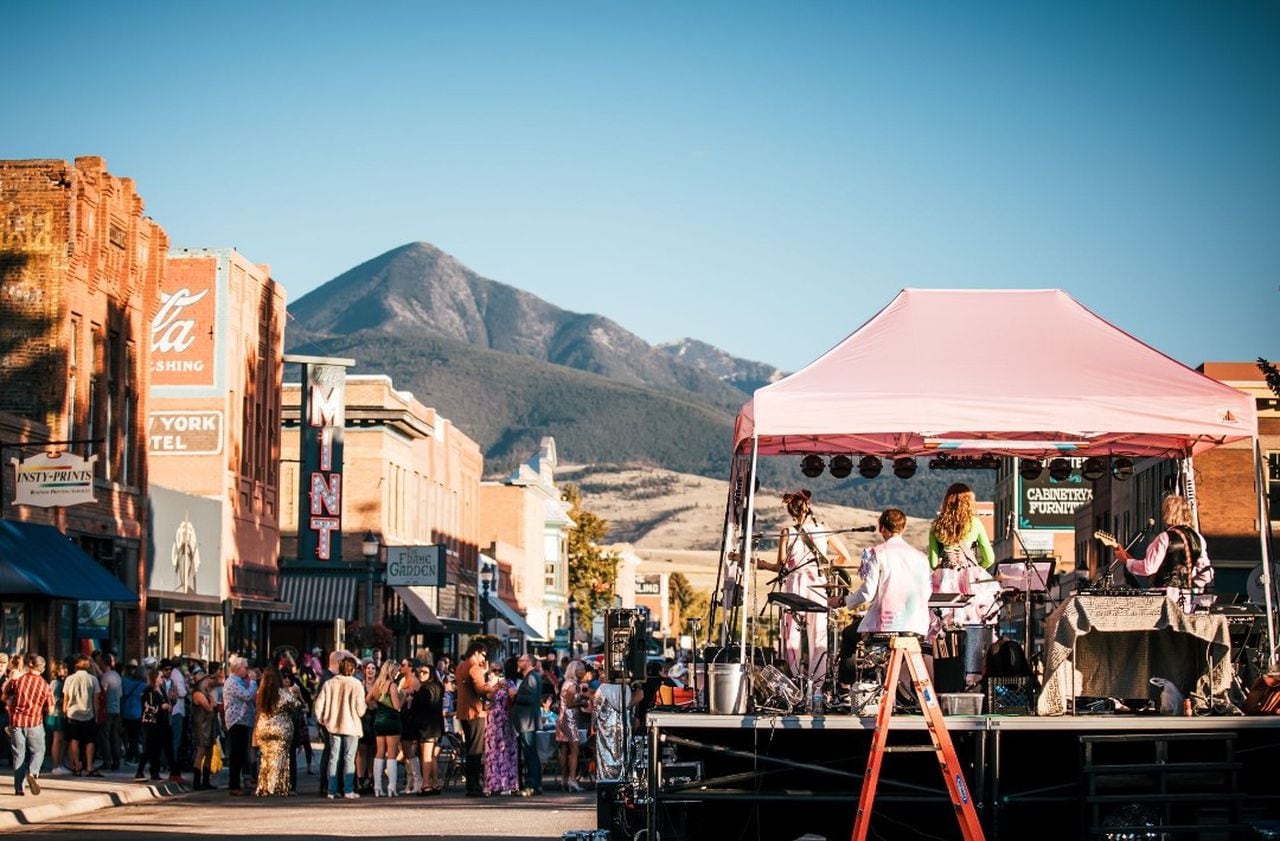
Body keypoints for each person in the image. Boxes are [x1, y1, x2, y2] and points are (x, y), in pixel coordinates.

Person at [836, 508, 934, 700]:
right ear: (904, 527)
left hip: (886, 625)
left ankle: (845, 689)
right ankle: (906, 694)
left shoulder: (877, 553)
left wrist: (842, 601)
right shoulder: (921, 557)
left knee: (848, 635)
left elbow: (866, 593)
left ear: (881, 528)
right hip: (916, 626)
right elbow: (928, 592)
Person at [756, 489, 850, 689]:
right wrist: (828, 567)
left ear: (791, 512)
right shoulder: (823, 529)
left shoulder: (787, 532)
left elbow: (781, 566)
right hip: (817, 585)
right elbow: (845, 556)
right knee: (819, 635)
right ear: (809, 508)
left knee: (791, 635)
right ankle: (817, 685)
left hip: (794, 588)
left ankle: (794, 681)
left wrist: (762, 565)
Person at [1111, 494, 1214, 612]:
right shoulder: (1198, 539)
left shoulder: (1164, 538)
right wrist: (1190, 582)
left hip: (1163, 598)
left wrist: (1125, 560)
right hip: (1187, 600)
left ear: (1169, 513)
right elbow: (1206, 575)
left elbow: (1148, 568)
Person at [928, 482, 999, 627]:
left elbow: (933, 563)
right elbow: (990, 558)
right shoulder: (975, 523)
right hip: (971, 578)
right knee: (974, 621)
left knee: (944, 622)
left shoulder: (936, 526)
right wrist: (976, 568)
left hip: (945, 579)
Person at [314, 655, 366, 799]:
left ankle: (331, 790)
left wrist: (322, 719)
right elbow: (361, 709)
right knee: (349, 758)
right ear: (353, 669)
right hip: (351, 725)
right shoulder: (357, 684)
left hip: (333, 725)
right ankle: (348, 790)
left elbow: (319, 705)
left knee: (334, 757)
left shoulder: (329, 683)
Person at [5, 655, 53, 796]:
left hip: (16, 722)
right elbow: (50, 709)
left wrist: (13, 705)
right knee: (38, 751)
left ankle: (19, 788)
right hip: (34, 722)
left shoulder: (18, 681)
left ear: (29, 666)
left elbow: (5, 696)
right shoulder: (45, 686)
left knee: (19, 754)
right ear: (42, 669)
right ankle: (33, 773)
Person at [455, 641, 497, 797]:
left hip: (463, 712)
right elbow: (481, 689)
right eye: (484, 655)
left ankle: (471, 785)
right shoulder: (475, 668)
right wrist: (493, 684)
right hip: (475, 712)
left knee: (469, 749)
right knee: (475, 750)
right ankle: (473, 786)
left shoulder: (461, 666)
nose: (484, 658)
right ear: (476, 653)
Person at [253, 665, 302, 796]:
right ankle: (276, 786)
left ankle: (264, 785)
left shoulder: (260, 692)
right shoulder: (282, 693)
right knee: (280, 757)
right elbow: (296, 705)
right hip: (281, 728)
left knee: (265, 758)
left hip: (263, 728)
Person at [405, 658, 445, 795]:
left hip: (426, 727)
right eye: (420, 672)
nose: (421, 674)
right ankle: (435, 783)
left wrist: (413, 699)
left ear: (431, 674)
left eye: (425, 672)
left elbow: (421, 707)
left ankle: (426, 784)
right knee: (433, 757)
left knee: (426, 756)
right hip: (437, 726)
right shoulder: (438, 687)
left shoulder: (425, 689)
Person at [135, 667, 180, 783]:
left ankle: (155, 772)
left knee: (159, 749)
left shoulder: (162, 690)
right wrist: (161, 707)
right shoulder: (148, 691)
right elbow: (148, 708)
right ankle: (140, 771)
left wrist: (170, 704)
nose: (162, 679)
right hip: (151, 724)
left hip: (163, 723)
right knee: (149, 748)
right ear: (155, 678)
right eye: (160, 677)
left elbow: (167, 703)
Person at [483, 656, 519, 796]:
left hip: (506, 720)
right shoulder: (486, 683)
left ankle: (507, 784)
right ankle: (492, 785)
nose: (497, 673)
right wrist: (496, 687)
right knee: (492, 754)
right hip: (492, 722)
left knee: (507, 752)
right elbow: (486, 700)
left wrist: (511, 693)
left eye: (500, 670)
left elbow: (514, 697)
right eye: (494, 670)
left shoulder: (509, 682)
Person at [367, 660, 403, 796]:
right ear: (391, 671)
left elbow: (368, 699)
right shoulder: (392, 685)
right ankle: (391, 787)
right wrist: (403, 697)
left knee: (379, 752)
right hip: (392, 720)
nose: (398, 673)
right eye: (396, 670)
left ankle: (377, 787)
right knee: (392, 754)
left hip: (379, 720)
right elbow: (397, 706)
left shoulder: (377, 684)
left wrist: (376, 707)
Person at [223, 656, 257, 796]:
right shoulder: (232, 682)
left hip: (244, 720)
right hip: (236, 721)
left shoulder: (241, 681)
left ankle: (241, 781)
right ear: (237, 668)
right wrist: (254, 682)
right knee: (236, 754)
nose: (247, 671)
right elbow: (247, 696)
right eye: (245, 668)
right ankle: (234, 784)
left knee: (242, 753)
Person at [511, 653, 544, 796]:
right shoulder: (531, 677)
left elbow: (530, 698)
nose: (518, 663)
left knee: (530, 753)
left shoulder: (531, 677)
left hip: (527, 721)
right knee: (531, 753)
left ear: (529, 663)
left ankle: (532, 785)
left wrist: (515, 694)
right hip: (526, 721)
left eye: (521, 660)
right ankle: (535, 784)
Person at [62, 655, 100, 777]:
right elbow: (96, 699)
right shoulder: (93, 679)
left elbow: (66, 697)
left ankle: (76, 765)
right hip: (88, 713)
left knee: (74, 740)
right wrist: (97, 714)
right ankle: (89, 766)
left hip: (72, 713)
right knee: (90, 740)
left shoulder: (69, 679)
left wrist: (64, 711)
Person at [555, 659, 587, 792]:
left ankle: (564, 779)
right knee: (574, 749)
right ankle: (572, 779)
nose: (583, 672)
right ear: (575, 671)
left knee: (564, 748)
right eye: (581, 670)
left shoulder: (567, 683)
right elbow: (569, 703)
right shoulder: (572, 685)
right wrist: (582, 703)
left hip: (563, 717)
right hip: (569, 718)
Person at [190, 671, 220, 790]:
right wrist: (212, 702)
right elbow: (209, 707)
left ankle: (206, 780)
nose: (208, 681)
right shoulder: (198, 694)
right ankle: (197, 781)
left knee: (209, 752)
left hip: (209, 725)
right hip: (201, 727)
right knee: (201, 752)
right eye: (206, 680)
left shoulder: (206, 692)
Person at [121, 661, 145, 765]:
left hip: (126, 711)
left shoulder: (125, 681)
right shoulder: (143, 685)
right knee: (135, 736)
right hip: (137, 712)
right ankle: (133, 756)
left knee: (129, 736)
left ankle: (129, 755)